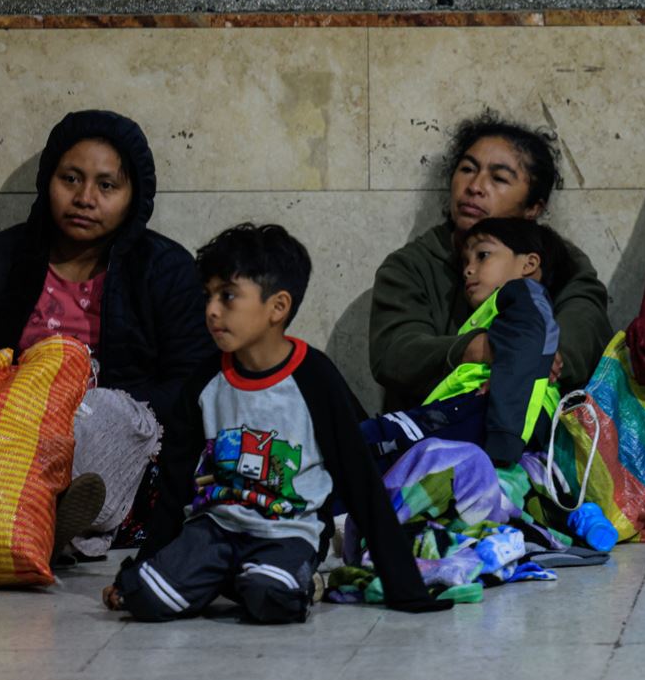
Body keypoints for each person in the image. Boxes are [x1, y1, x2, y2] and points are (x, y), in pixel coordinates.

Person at [105, 224, 447, 621]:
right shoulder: (203, 382)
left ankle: (268, 578)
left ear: (278, 307)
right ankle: (225, 574)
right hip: (215, 527)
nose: (212, 310)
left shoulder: (315, 378)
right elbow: (174, 481)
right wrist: (141, 566)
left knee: (271, 601)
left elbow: (360, 479)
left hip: (288, 532)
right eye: (209, 296)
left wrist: (404, 585)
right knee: (145, 600)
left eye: (228, 296)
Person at [0, 109, 215, 548]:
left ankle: (49, 516)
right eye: (71, 179)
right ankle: (53, 521)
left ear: (133, 197)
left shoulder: (165, 270)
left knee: (103, 415)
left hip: (118, 441)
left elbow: (191, 382)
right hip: (11, 431)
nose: (85, 197)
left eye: (106, 185)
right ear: (48, 181)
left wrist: (91, 407)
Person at [368, 118, 611, 410]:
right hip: (434, 438)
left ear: (534, 207)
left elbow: (586, 325)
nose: (475, 187)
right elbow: (394, 353)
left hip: (535, 438)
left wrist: (537, 359)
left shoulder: (559, 259)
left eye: (499, 178)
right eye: (468, 169)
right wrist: (481, 349)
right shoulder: (410, 266)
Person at [361, 218, 560, 468]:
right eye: (465, 262)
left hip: (497, 417)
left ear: (529, 263)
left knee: (376, 438)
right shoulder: (491, 313)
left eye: (483, 255)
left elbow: (522, 355)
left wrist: (503, 442)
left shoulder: (524, 294)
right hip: (483, 414)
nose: (468, 269)